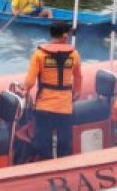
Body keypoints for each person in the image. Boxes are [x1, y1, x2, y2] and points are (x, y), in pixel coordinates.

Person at [23, 20, 83, 160]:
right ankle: (64, 173)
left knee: (43, 145)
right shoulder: (74, 54)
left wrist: (23, 89)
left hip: (44, 107)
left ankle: (46, 171)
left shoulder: (39, 54)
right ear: (64, 36)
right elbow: (78, 77)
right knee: (65, 145)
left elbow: (30, 82)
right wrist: (77, 92)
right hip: (64, 108)